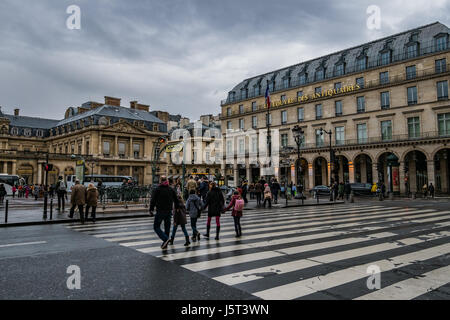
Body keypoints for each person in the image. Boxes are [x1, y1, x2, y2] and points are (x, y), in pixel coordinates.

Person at [149, 176, 179, 250]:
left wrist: (151, 209)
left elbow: (153, 200)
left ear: (160, 181)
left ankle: (165, 239)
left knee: (156, 227)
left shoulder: (157, 189)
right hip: (169, 211)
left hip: (160, 211)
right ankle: (165, 243)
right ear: (167, 181)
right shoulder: (171, 189)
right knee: (167, 227)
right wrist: (177, 208)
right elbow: (176, 199)